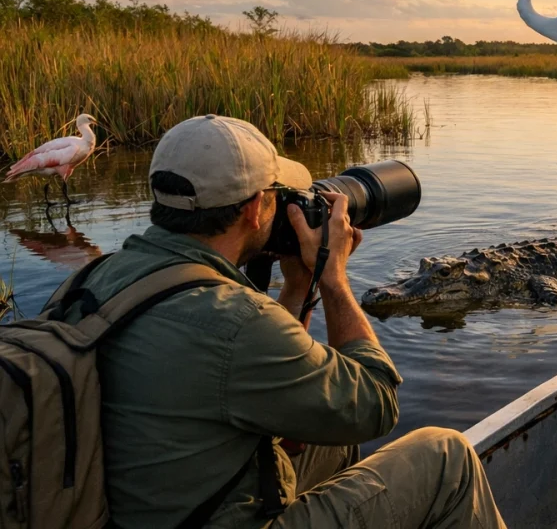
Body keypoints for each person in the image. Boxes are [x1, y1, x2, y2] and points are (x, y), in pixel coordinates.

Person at [65, 115, 506, 528]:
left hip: (133, 511)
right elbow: (376, 404)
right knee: (446, 455)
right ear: (256, 208)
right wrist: (333, 281)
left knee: (329, 437)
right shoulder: (234, 320)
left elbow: (263, 372)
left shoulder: (89, 280)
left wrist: (297, 288)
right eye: (281, 197)